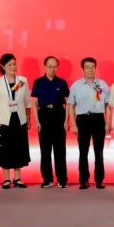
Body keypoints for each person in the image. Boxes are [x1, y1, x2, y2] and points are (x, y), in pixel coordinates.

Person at [0, 53, 32, 189]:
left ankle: (18, 178)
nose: (13, 67)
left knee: (19, 148)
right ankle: (6, 178)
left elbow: (27, 102)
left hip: (19, 119)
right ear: (3, 66)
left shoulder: (22, 81)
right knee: (5, 148)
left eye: (14, 64)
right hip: (4, 120)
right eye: (10, 64)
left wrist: (28, 118)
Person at [68, 57, 111, 190]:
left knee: (99, 151)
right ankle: (84, 180)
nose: (90, 70)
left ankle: (99, 180)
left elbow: (107, 105)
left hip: (98, 119)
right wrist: (73, 124)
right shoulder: (76, 85)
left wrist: (108, 122)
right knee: (83, 151)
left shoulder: (102, 84)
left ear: (95, 68)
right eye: (87, 67)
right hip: (82, 120)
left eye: (92, 67)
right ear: (82, 69)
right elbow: (71, 105)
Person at [31, 56, 70, 188]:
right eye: (50, 67)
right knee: (45, 149)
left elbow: (68, 103)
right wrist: (37, 121)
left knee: (60, 149)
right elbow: (34, 103)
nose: (52, 69)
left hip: (59, 114)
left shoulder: (62, 83)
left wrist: (66, 120)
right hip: (44, 115)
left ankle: (62, 179)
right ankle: (47, 179)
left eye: (54, 67)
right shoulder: (38, 82)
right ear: (44, 67)